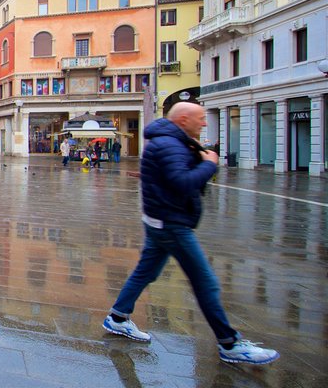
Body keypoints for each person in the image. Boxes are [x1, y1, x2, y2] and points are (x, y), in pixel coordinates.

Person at [102, 102, 279, 365]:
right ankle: (229, 343)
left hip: (159, 219)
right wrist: (210, 164)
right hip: (171, 223)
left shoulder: (167, 142)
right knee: (205, 282)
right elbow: (182, 183)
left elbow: (166, 176)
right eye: (201, 118)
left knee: (146, 271)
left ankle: (118, 317)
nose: (205, 123)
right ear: (184, 119)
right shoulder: (169, 144)